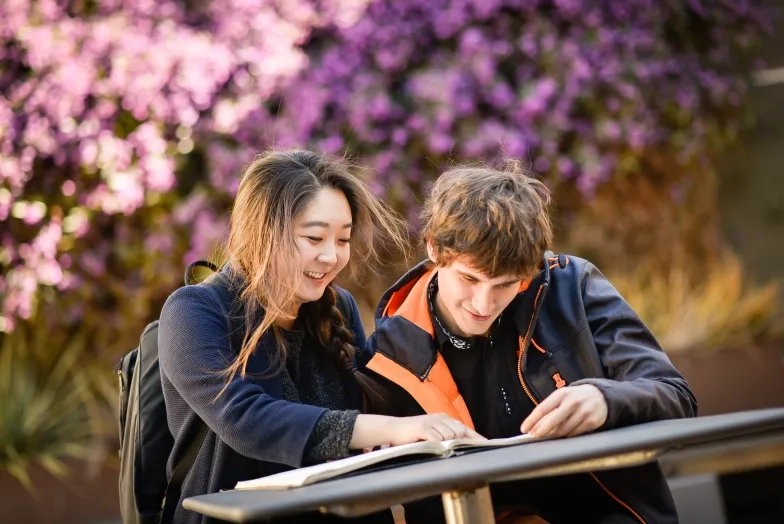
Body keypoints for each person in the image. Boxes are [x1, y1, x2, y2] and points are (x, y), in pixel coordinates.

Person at [363, 162, 698, 524]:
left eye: (506, 284)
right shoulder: (390, 350)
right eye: (469, 279)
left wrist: (606, 399)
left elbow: (676, 395)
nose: (483, 305)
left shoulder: (573, 286)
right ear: (432, 247)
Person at [157, 150, 482, 524]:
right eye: (314, 238)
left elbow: (373, 408)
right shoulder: (193, 311)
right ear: (263, 232)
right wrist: (395, 428)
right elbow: (246, 419)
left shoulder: (337, 306)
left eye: (342, 240)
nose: (331, 256)